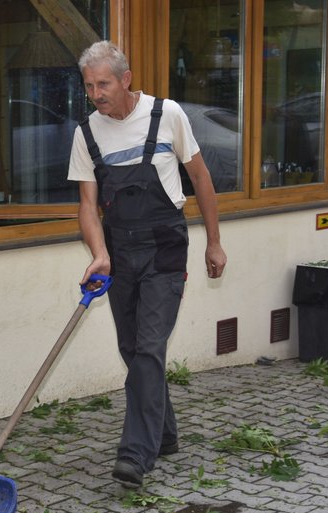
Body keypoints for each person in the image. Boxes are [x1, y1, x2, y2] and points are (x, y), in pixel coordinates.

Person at [68, 40, 227, 488]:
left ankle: (136, 454)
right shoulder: (87, 132)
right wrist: (100, 254)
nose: (96, 93)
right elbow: (87, 205)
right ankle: (165, 433)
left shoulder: (167, 115)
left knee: (149, 348)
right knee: (133, 350)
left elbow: (201, 179)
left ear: (126, 79)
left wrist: (214, 242)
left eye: (104, 83)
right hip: (119, 249)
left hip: (165, 247)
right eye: (89, 86)